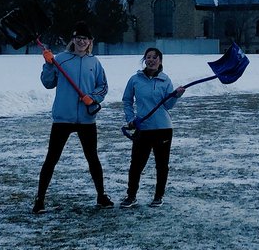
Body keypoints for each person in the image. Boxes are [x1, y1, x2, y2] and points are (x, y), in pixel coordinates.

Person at [34, 22, 112, 212]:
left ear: (90, 41)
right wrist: (48, 64)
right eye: (78, 38)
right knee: (51, 158)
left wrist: (91, 98)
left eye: (85, 39)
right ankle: (40, 199)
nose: (81, 41)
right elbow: (48, 83)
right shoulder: (60, 59)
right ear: (73, 39)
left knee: (93, 158)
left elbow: (103, 86)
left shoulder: (94, 62)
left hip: (86, 119)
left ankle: (101, 196)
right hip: (63, 118)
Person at [119, 47, 186, 208]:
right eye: (148, 57)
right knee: (136, 164)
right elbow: (127, 101)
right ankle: (131, 196)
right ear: (144, 60)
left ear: (160, 61)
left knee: (161, 164)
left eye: (155, 57)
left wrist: (176, 96)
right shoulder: (135, 79)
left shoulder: (165, 80)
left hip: (163, 128)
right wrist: (130, 119)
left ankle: (158, 196)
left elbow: (168, 106)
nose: (151, 60)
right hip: (143, 128)